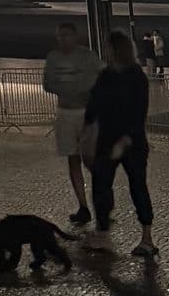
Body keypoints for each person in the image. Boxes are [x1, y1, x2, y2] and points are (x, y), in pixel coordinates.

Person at [83, 31, 159, 258]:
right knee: (100, 183)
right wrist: (87, 128)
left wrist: (125, 139)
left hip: (132, 142)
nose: (107, 52)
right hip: (106, 139)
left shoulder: (136, 76)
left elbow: (139, 112)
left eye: (110, 48)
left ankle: (147, 237)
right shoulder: (106, 75)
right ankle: (103, 231)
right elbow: (94, 103)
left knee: (138, 185)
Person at [41, 21, 100, 226]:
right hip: (65, 111)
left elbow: (98, 81)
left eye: (66, 35)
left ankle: (102, 201)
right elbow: (47, 83)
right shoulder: (53, 57)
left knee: (90, 160)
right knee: (72, 159)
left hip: (85, 112)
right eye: (60, 35)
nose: (63, 39)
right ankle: (83, 205)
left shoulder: (88, 57)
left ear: (75, 36)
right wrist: (65, 88)